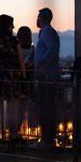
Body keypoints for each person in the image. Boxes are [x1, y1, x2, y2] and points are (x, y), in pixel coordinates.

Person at [0, 14, 26, 152]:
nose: (13, 27)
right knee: (13, 111)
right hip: (12, 79)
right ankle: (12, 141)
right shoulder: (14, 41)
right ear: (7, 25)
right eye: (11, 24)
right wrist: (24, 77)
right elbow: (21, 61)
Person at [35, 8, 60, 148]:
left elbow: (52, 49)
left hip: (47, 76)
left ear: (41, 18)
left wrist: (41, 61)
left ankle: (47, 140)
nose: (36, 19)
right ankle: (47, 139)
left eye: (37, 16)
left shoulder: (47, 32)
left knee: (45, 108)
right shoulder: (46, 32)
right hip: (46, 75)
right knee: (45, 107)